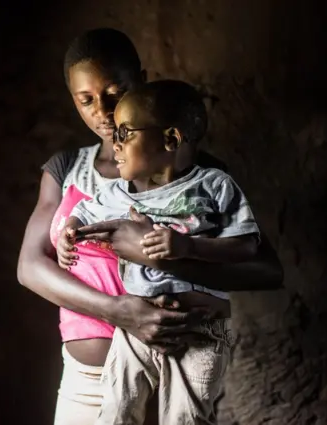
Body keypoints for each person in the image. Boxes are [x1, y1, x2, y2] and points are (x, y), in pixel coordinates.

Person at [16, 28, 283, 425]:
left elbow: (265, 269)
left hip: (180, 365)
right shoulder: (66, 170)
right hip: (90, 384)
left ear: (140, 80)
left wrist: (163, 257)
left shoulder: (196, 174)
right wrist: (121, 312)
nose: (102, 110)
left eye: (114, 91)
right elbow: (30, 268)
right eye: (85, 99)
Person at [64, 80, 258, 424]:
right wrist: (70, 231)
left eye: (125, 133)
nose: (116, 143)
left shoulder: (213, 185)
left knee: (185, 417)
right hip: (135, 330)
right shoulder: (118, 192)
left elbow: (247, 246)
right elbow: (85, 213)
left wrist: (188, 246)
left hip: (200, 329)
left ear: (170, 139)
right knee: (116, 411)